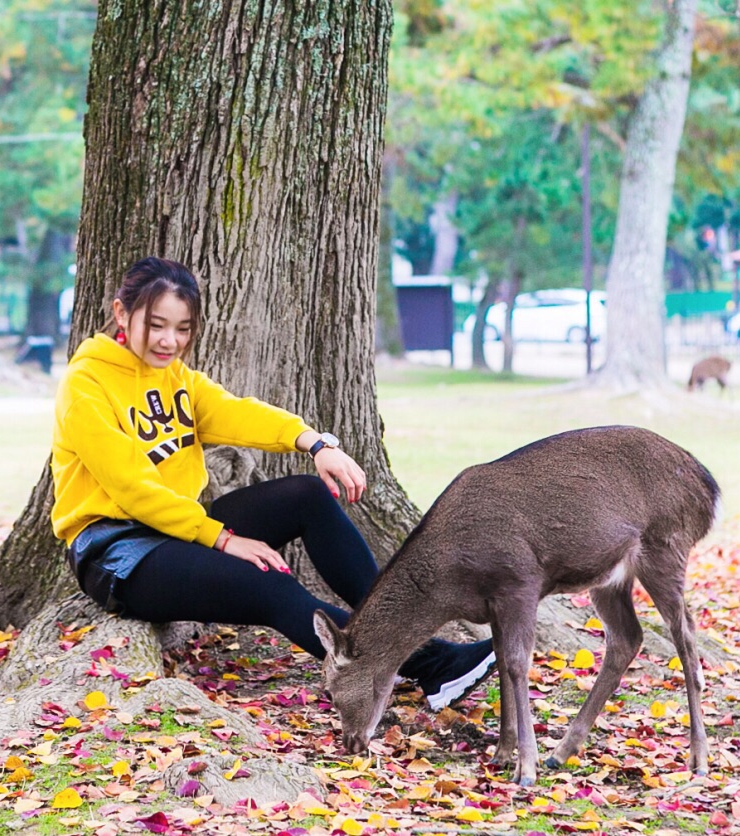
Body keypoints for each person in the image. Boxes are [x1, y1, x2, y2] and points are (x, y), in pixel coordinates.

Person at [50, 256, 496, 711]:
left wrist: (315, 443)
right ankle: (431, 665)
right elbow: (133, 488)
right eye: (157, 325)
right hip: (118, 553)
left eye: (183, 329)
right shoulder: (86, 383)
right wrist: (223, 539)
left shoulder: (173, 376)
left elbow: (235, 412)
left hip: (173, 530)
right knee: (268, 580)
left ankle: (395, 623)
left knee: (306, 495)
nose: (170, 341)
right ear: (122, 313)